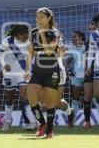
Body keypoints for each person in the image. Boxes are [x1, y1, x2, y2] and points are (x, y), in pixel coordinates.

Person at [27, 7, 66, 138]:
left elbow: (49, 52)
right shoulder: (33, 33)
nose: (39, 20)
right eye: (37, 17)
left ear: (49, 18)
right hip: (37, 72)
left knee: (50, 102)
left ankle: (49, 131)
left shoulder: (56, 33)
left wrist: (42, 33)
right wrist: (27, 69)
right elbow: (30, 51)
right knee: (31, 95)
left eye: (42, 17)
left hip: (52, 71)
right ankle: (42, 123)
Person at [0, 24, 37, 131]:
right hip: (9, 73)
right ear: (17, 35)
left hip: (23, 73)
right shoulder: (7, 41)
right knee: (9, 98)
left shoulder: (29, 43)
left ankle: (33, 122)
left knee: (24, 96)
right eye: (23, 36)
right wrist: (3, 65)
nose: (25, 38)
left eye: (27, 36)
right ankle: (7, 122)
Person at [64, 31, 86, 124]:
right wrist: (67, 71)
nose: (73, 38)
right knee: (75, 99)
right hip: (77, 76)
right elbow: (67, 60)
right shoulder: (72, 48)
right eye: (72, 37)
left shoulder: (88, 47)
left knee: (95, 98)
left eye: (75, 36)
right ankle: (72, 120)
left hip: (89, 76)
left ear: (81, 37)